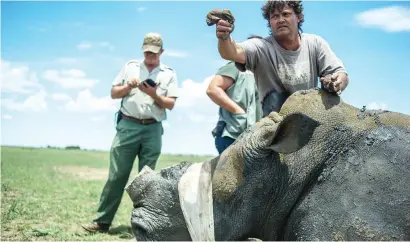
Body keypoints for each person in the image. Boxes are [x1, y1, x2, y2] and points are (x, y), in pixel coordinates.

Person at [81, 32, 179, 233]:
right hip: (128, 126)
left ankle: (144, 225)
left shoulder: (168, 73)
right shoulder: (130, 67)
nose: (149, 56)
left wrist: (154, 94)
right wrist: (128, 86)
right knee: (117, 175)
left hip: (152, 128)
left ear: (162, 51)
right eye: (146, 52)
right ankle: (102, 221)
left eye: (154, 53)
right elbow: (113, 93)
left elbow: (171, 104)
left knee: (147, 179)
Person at [211, 0, 349, 117]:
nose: (281, 20)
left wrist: (336, 82)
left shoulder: (315, 43)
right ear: (269, 22)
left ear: (298, 17)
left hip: (308, 121)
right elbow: (232, 52)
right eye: (275, 16)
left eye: (286, 14)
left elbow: (340, 73)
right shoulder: (262, 47)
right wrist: (224, 37)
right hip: (273, 127)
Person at [207, 35, 263, 154]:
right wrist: (238, 111)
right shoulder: (235, 66)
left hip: (253, 139)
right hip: (232, 135)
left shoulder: (264, 73)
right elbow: (213, 89)